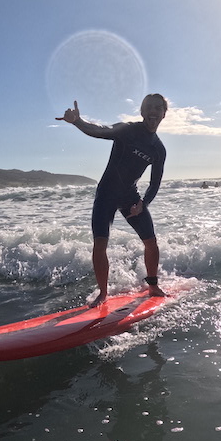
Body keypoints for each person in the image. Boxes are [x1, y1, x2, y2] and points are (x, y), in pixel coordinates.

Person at [57, 94, 168, 306]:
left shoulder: (158, 149)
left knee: (151, 242)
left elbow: (155, 183)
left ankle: (153, 285)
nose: (153, 111)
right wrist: (77, 122)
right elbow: (101, 130)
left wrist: (143, 204)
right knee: (100, 243)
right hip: (106, 194)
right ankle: (103, 293)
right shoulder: (128, 130)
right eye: (149, 107)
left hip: (130, 196)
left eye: (158, 108)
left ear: (164, 113)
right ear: (142, 111)